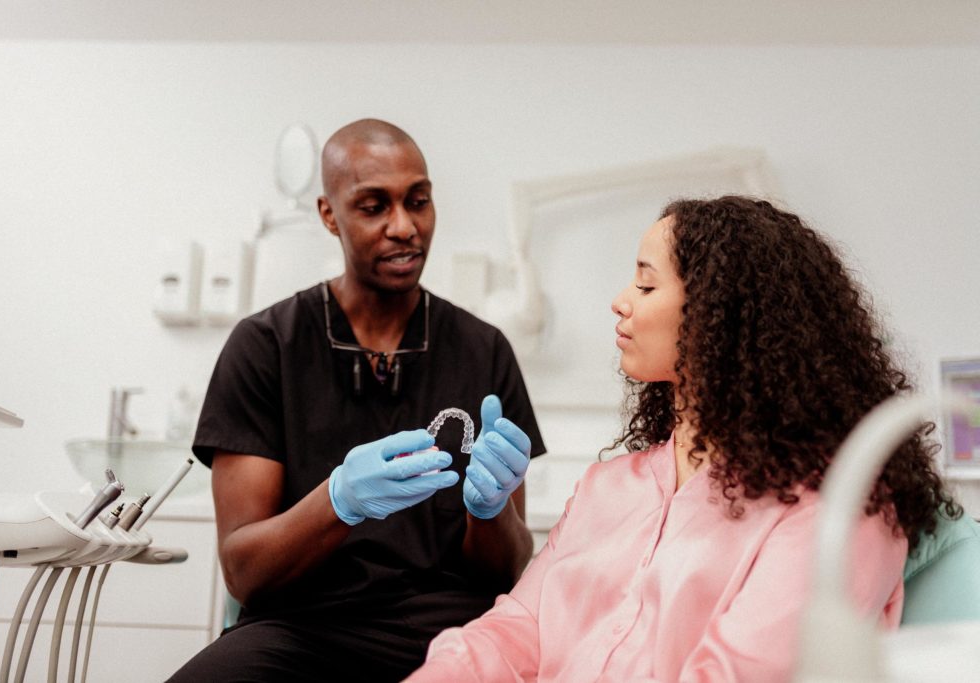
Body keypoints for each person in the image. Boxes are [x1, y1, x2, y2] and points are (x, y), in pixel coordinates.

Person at [407, 196, 960, 682]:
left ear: (721, 315)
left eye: (647, 283)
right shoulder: (609, 488)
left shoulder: (840, 510)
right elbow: (516, 633)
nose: (621, 301)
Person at [170, 119, 546, 682]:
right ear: (328, 214)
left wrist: (488, 513)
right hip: (300, 630)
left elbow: (513, 568)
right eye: (374, 207)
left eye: (418, 201)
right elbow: (243, 572)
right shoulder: (267, 347)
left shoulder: (483, 351)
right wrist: (338, 501)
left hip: (455, 632)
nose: (405, 227)